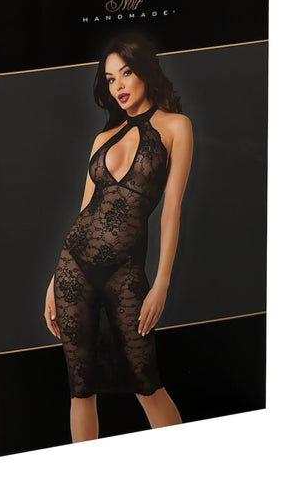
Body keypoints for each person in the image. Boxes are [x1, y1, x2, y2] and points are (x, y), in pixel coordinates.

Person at [45, 32, 193, 443]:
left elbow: (172, 210)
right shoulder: (102, 138)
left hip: (126, 271)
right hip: (73, 267)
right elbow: (84, 211)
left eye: (126, 73)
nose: (118, 86)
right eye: (110, 79)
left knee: (147, 383)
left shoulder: (176, 127)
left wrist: (161, 283)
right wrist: (54, 280)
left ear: (144, 70)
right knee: (81, 390)